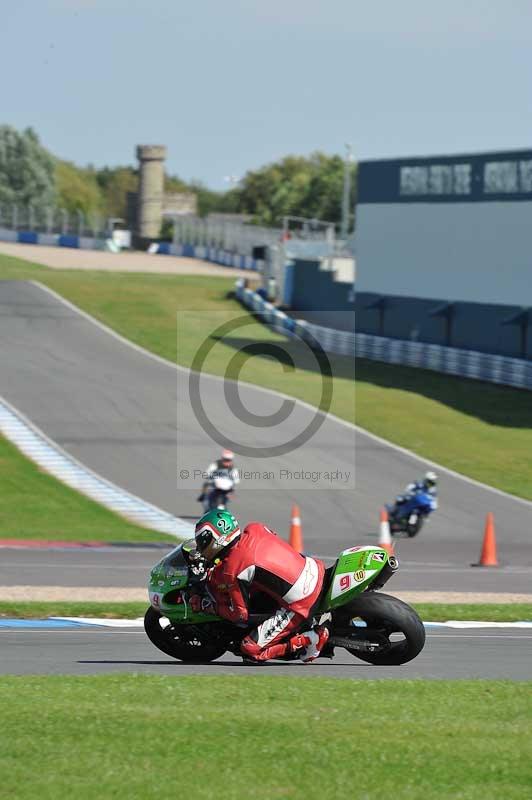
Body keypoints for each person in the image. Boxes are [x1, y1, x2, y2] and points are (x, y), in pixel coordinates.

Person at [191, 509, 329, 664]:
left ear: (218, 539)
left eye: (203, 542)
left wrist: (209, 607)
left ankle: (310, 639)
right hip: (312, 567)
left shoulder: (232, 570)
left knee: (250, 650)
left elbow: (240, 615)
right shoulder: (255, 528)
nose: (200, 547)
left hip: (302, 600)